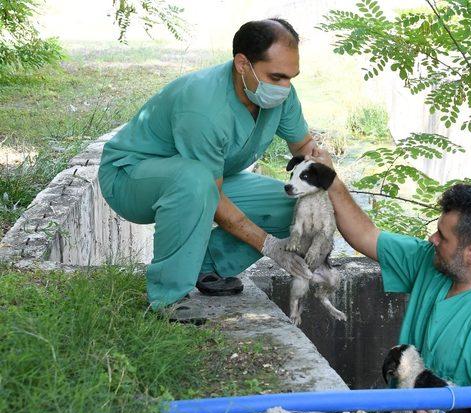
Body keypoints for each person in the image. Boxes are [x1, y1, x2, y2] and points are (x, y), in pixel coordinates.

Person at [98, 18, 316, 314]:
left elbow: (303, 147)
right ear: (242, 64)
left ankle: (205, 265)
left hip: (204, 179)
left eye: (291, 77)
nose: (285, 87)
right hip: (131, 178)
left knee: (295, 205)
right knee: (195, 181)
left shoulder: (280, 94)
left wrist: (322, 179)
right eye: (277, 77)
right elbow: (213, 198)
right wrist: (269, 245)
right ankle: (168, 296)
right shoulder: (203, 106)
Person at [308, 148, 471, 413]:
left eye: (443, 236)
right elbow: (366, 235)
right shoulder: (433, 262)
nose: (432, 238)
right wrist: (330, 179)